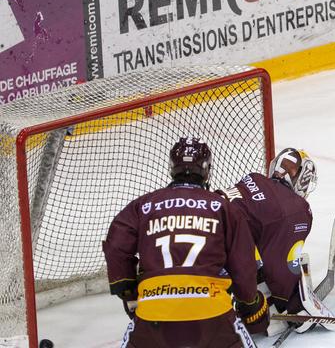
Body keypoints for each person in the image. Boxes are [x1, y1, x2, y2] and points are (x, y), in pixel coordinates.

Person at [102, 137, 269, 348]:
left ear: (172, 168)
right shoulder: (224, 208)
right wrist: (250, 302)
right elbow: (243, 265)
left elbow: (116, 247)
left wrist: (127, 290)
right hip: (212, 313)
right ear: (207, 171)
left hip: (154, 313)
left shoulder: (143, 206)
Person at [216, 147, 322, 334]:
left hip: (197, 233)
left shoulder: (254, 178)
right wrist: (292, 305)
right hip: (221, 260)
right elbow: (281, 266)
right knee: (255, 265)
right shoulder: (297, 209)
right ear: (302, 179)